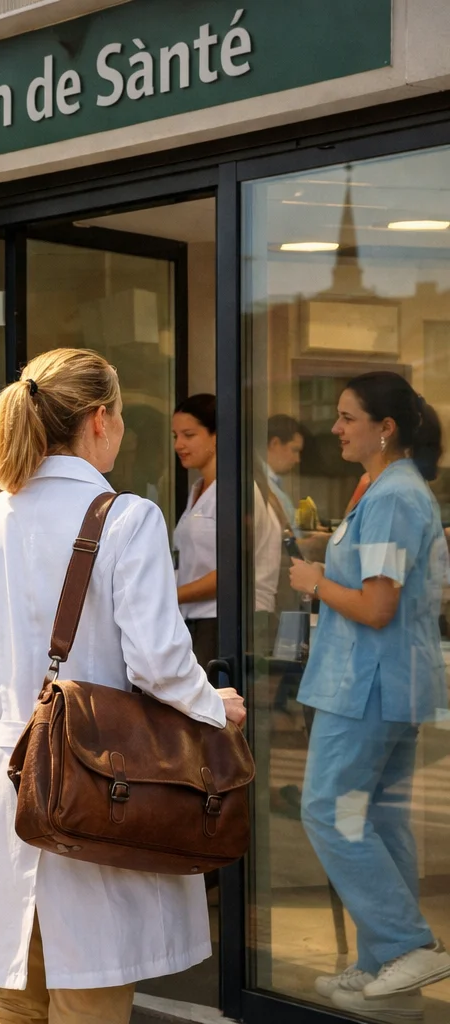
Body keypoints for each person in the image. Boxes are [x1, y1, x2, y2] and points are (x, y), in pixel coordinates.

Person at [0, 349, 246, 1024]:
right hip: (104, 796)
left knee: (19, 1000)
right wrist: (214, 707)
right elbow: (159, 662)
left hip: (10, 799)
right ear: (100, 420)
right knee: (89, 1002)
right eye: (121, 414)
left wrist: (4, 758)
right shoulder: (126, 518)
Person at [287, 371, 450, 1018]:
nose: (335, 427)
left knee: (328, 810)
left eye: (348, 417)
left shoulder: (391, 498)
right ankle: (386, 958)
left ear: (385, 428)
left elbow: (377, 607)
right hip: (385, 682)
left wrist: (314, 578)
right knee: (378, 819)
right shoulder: (392, 491)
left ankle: (407, 942)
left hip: (368, 685)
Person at [171, 393, 280, 669]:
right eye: (175, 436)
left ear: (217, 436)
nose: (179, 444)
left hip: (228, 620)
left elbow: (232, 573)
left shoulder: (237, 490)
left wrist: (171, 594)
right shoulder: (199, 489)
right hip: (197, 618)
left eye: (189, 435)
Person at [266, 413, 307, 531]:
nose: (297, 459)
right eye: (294, 450)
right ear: (274, 444)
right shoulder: (261, 483)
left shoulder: (274, 483)